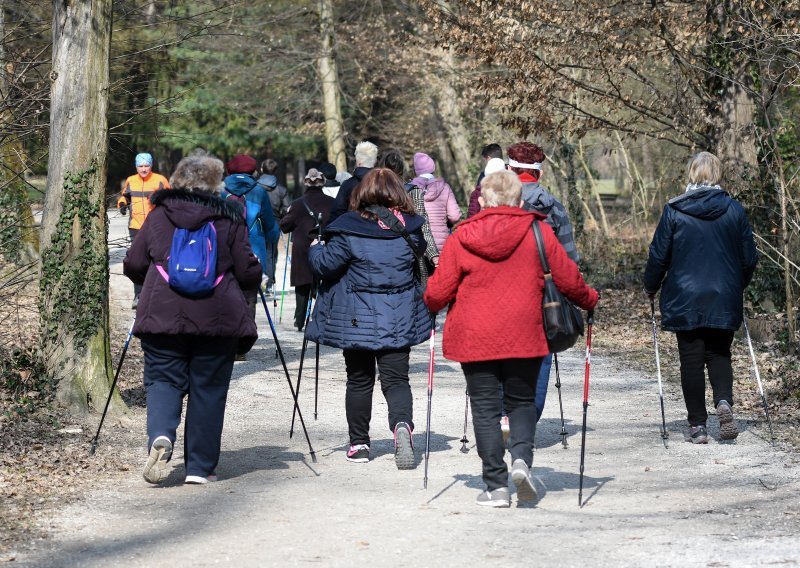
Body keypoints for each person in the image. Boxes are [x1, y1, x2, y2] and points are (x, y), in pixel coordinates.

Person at [424, 170, 598, 507]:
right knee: (520, 401)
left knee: (486, 410)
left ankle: (496, 487)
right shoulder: (538, 230)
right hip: (525, 332)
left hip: (475, 337)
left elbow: (437, 293)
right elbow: (568, 279)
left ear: (484, 200)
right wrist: (590, 299)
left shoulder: (462, 236)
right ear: (519, 199)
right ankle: (521, 461)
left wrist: (430, 300)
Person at [122, 155, 262, 485]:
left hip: (162, 316)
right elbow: (246, 269)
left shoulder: (158, 216)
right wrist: (253, 276)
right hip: (217, 319)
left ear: (175, 180)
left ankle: (161, 434)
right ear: (216, 183)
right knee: (208, 389)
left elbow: (133, 262)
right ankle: (199, 468)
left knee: (162, 379)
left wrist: (157, 276)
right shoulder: (229, 216)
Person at [306, 168, 432, 469]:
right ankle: (402, 426)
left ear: (362, 193)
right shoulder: (410, 230)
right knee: (397, 379)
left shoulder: (349, 228)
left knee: (359, 379)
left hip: (355, 318)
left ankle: (359, 443)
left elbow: (325, 266)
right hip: (398, 316)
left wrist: (314, 250)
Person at [644, 151, 757, 444]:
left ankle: (697, 426)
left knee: (691, 361)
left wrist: (650, 286)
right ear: (718, 175)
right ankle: (723, 402)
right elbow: (749, 258)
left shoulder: (674, 210)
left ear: (692, 174)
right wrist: (738, 285)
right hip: (724, 294)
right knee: (719, 354)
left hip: (684, 296)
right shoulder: (734, 210)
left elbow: (659, 255)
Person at [506, 141, 580, 432]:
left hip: (502, 296)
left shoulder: (495, 206)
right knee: (541, 357)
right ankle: (526, 419)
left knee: (503, 354)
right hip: (544, 298)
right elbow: (570, 258)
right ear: (539, 173)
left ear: (511, 170)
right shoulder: (555, 208)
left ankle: (504, 414)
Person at [223, 155, 278, 352]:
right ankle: (242, 347)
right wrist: (272, 241)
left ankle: (227, 342)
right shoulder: (259, 192)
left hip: (225, 251)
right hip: (251, 252)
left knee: (225, 296)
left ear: (230, 171)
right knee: (249, 298)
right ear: (253, 172)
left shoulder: (220, 191)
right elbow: (271, 226)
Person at [279, 169, 334, 331]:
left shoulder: (297, 203)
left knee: (302, 285)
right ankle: (324, 317)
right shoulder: (332, 202)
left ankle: (300, 318)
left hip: (302, 249)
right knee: (326, 283)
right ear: (322, 182)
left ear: (306, 183)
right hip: (325, 247)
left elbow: (284, 226)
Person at [117, 153, 170, 308]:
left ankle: (158, 295)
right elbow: (124, 196)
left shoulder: (160, 180)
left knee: (156, 260)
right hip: (136, 226)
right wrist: (122, 204)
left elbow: (170, 199)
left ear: (151, 165)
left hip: (156, 227)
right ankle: (138, 296)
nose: (144, 169)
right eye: (140, 166)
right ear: (136, 166)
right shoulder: (131, 180)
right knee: (137, 262)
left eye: (146, 165)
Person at [378, 149, 439, 286]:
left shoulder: (376, 194)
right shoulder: (412, 191)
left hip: (381, 255)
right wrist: (433, 254)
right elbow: (423, 225)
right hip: (410, 254)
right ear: (402, 170)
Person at [409, 152, 461, 256]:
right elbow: (455, 216)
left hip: (419, 242)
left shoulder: (410, 189)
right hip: (441, 245)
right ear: (433, 168)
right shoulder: (445, 187)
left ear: (416, 170)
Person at [256, 158, 292, 292]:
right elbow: (287, 208)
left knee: (256, 252)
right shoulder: (281, 189)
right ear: (275, 171)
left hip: (256, 223)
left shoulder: (254, 187)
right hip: (274, 224)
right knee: (271, 254)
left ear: (261, 169)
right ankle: (269, 284)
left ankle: (258, 282)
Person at [328, 141, 378, 225]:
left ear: (358, 162)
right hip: (380, 232)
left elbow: (337, 213)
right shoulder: (383, 183)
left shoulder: (347, 184)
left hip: (354, 231)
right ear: (374, 161)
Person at [467, 143, 504, 218]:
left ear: (489, 158)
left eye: (485, 159)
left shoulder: (483, 175)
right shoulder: (512, 174)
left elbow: (476, 203)